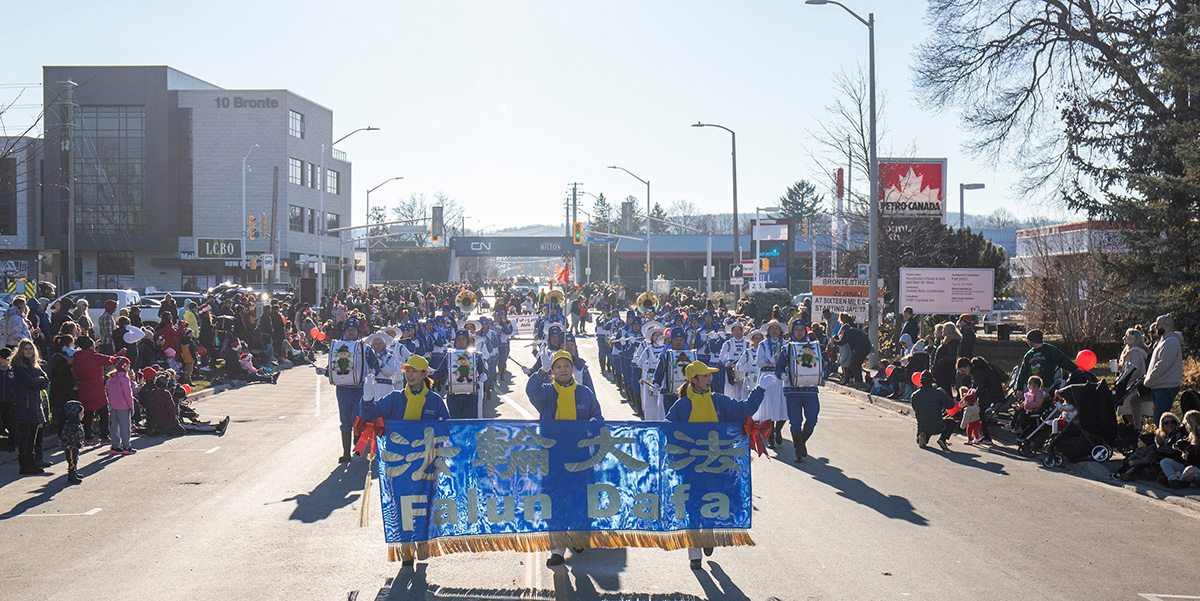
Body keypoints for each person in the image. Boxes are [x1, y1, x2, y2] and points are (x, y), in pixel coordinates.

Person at [666, 360, 765, 570]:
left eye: (710, 375)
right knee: (693, 508)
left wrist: (760, 390)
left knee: (712, 503)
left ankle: (708, 535)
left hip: (718, 466)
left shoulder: (719, 401)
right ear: (693, 380)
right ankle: (694, 555)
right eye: (705, 376)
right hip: (691, 469)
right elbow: (667, 430)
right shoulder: (682, 405)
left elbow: (743, 411)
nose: (710, 378)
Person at [12, 339, 48, 475]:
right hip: (24, 404)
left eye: (30, 349)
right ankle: (24, 465)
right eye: (26, 349)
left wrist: (37, 381)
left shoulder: (35, 366)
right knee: (25, 437)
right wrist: (38, 381)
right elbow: (28, 381)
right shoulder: (18, 366)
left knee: (33, 436)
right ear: (21, 351)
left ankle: (32, 464)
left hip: (34, 404)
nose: (29, 351)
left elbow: (45, 381)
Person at [72, 336, 118, 444]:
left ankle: (89, 436)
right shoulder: (95, 356)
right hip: (97, 387)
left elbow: (75, 376)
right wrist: (121, 354)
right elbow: (110, 360)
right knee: (103, 412)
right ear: (91, 345)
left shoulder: (76, 357)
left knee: (88, 413)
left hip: (84, 386)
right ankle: (104, 435)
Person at [1143, 314, 1185, 421]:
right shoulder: (1164, 341)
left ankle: (1167, 433)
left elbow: (1162, 365)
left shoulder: (1171, 342)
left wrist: (1148, 380)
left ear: (1166, 325)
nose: (1156, 327)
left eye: (1158, 325)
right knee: (1159, 418)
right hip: (1160, 386)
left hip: (1166, 387)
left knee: (1160, 419)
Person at [911, 371, 957, 451]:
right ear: (932, 381)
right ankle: (942, 439)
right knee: (951, 422)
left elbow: (915, 409)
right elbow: (951, 405)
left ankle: (921, 436)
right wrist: (944, 393)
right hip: (937, 425)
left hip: (922, 426)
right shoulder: (938, 393)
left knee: (924, 431)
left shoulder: (914, 396)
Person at [1117, 328, 1153, 427]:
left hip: (1132, 386)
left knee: (1128, 410)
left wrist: (1124, 379)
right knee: (1128, 411)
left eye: (1126, 335)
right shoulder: (1131, 352)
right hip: (1130, 385)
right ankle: (1135, 428)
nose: (1124, 338)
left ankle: (1136, 428)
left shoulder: (1135, 353)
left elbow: (1134, 370)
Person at [1159, 410, 1200, 489]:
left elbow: (1196, 462)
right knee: (1165, 461)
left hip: (1195, 470)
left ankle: (1178, 482)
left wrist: (1189, 457)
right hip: (1188, 467)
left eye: (1187, 424)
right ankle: (1173, 479)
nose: (1186, 427)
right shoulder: (1190, 437)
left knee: (1190, 470)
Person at [105, 357, 136, 455]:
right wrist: (131, 406)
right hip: (124, 406)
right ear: (124, 366)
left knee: (114, 426)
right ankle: (126, 447)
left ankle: (115, 446)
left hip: (114, 405)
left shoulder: (111, 378)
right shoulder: (124, 379)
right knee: (125, 427)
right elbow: (127, 394)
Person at [59, 399, 85, 484]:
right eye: (81, 414)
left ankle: (74, 473)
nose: (82, 415)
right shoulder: (72, 426)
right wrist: (78, 444)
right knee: (72, 461)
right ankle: (71, 476)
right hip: (70, 447)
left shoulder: (75, 424)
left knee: (75, 460)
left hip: (74, 447)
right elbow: (72, 438)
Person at [932, 322, 961, 394]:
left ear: (949, 330)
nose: (942, 331)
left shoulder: (952, 341)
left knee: (945, 387)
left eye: (944, 329)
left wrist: (940, 361)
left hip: (945, 369)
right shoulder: (946, 340)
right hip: (942, 369)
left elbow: (951, 355)